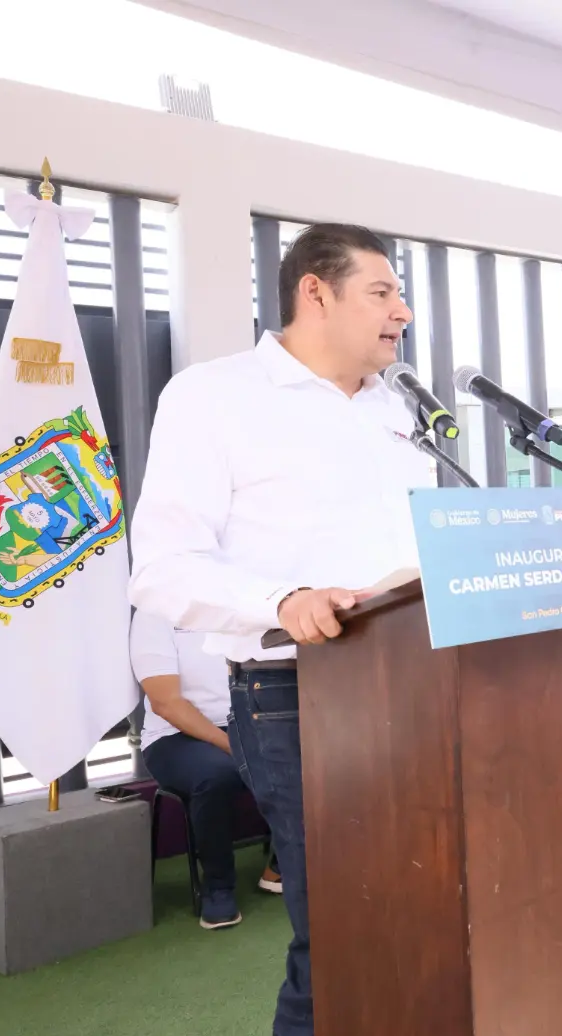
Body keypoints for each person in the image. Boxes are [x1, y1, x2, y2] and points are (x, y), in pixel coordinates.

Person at [128, 223, 438, 1034]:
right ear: (315, 292)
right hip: (296, 697)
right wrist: (283, 600)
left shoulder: (398, 408)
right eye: (382, 292)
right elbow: (160, 567)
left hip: (422, 685)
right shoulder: (214, 395)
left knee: (422, 908)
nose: (402, 311)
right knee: (342, 930)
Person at [130, 609, 282, 930]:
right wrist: (236, 747)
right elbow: (166, 703)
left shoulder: (233, 600)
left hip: (246, 723)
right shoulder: (153, 615)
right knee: (217, 775)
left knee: (312, 753)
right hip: (174, 736)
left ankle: (281, 865)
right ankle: (218, 886)